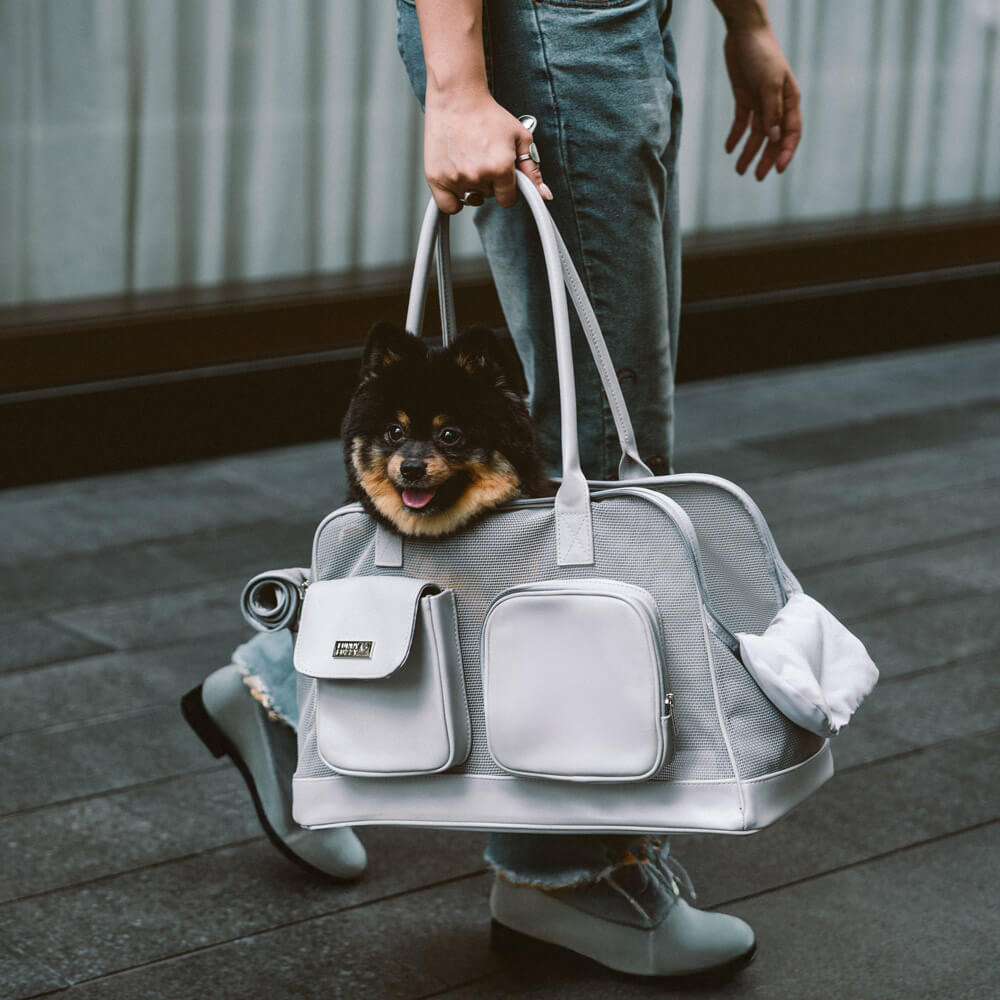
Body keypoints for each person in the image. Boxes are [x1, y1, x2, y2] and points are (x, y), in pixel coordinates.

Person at [187, 0, 802, 979]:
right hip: (551, 30)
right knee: (599, 476)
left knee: (599, 457)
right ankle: (563, 872)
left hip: (619, 30)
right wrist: (456, 80)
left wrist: (744, 20)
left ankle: (287, 684)